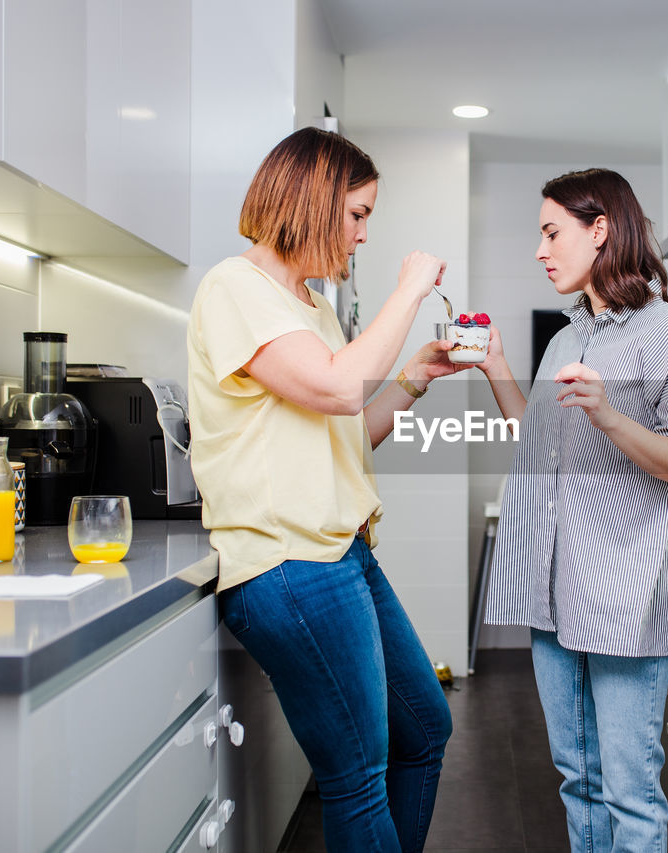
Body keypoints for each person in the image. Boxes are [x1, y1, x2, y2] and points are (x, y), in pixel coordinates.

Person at [186, 127, 459, 853]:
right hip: (286, 564)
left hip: (340, 552)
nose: (365, 233)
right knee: (358, 773)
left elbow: (346, 434)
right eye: (358, 214)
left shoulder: (309, 303)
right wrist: (410, 289)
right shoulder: (233, 288)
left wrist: (413, 378)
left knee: (424, 725)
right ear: (313, 201)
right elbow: (339, 388)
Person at [475, 168, 668, 851]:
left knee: (628, 788)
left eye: (551, 232)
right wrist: (498, 366)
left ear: (601, 229)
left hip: (627, 592)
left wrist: (613, 417)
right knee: (576, 776)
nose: (541, 250)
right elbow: (542, 443)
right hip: (559, 588)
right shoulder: (567, 340)